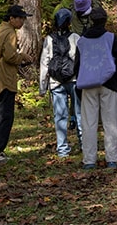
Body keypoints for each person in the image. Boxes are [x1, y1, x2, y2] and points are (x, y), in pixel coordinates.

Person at [74, 6, 117, 169]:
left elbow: (77, 65)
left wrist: (79, 85)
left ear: (91, 20)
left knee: (88, 122)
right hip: (108, 83)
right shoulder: (110, 38)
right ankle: (112, 159)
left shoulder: (82, 40)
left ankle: (89, 160)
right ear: (105, 20)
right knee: (110, 122)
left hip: (88, 84)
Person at [0, 3, 33, 163]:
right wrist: (23, 57)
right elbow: (10, 56)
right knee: (6, 117)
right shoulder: (10, 33)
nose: (23, 22)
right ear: (12, 19)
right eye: (21, 19)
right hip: (4, 80)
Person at [39, 8, 81, 158]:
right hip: (74, 80)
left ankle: (62, 149)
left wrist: (42, 87)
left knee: (60, 116)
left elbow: (44, 63)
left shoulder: (49, 39)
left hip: (55, 82)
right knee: (79, 113)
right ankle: (83, 144)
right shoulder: (76, 37)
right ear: (69, 22)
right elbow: (80, 60)